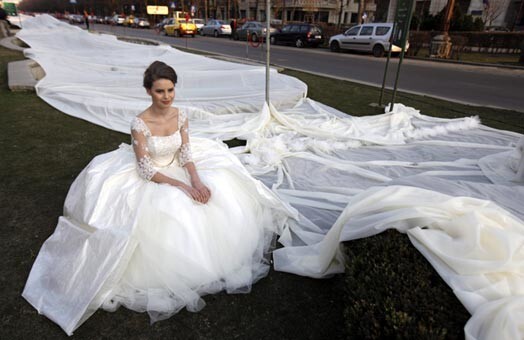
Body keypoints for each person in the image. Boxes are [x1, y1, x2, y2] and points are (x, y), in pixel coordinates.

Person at [22, 61, 296, 335]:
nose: (166, 97)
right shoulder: (139, 123)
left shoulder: (181, 116)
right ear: (148, 91)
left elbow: (186, 154)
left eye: (170, 90)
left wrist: (196, 181)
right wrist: (182, 187)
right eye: (159, 91)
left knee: (218, 193)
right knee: (172, 207)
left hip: (178, 167)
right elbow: (145, 169)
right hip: (151, 173)